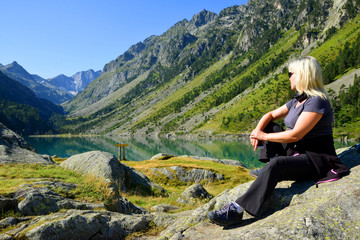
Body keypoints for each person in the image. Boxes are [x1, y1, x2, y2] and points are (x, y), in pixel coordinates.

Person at [208, 56, 349, 227]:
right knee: (269, 127)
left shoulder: (317, 101)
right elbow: (270, 115)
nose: (289, 77)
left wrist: (263, 137)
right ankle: (269, 169)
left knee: (277, 164)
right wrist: (258, 131)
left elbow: (295, 135)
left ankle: (237, 210)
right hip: (298, 151)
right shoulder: (298, 100)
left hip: (316, 159)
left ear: (302, 75)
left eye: (291, 73)